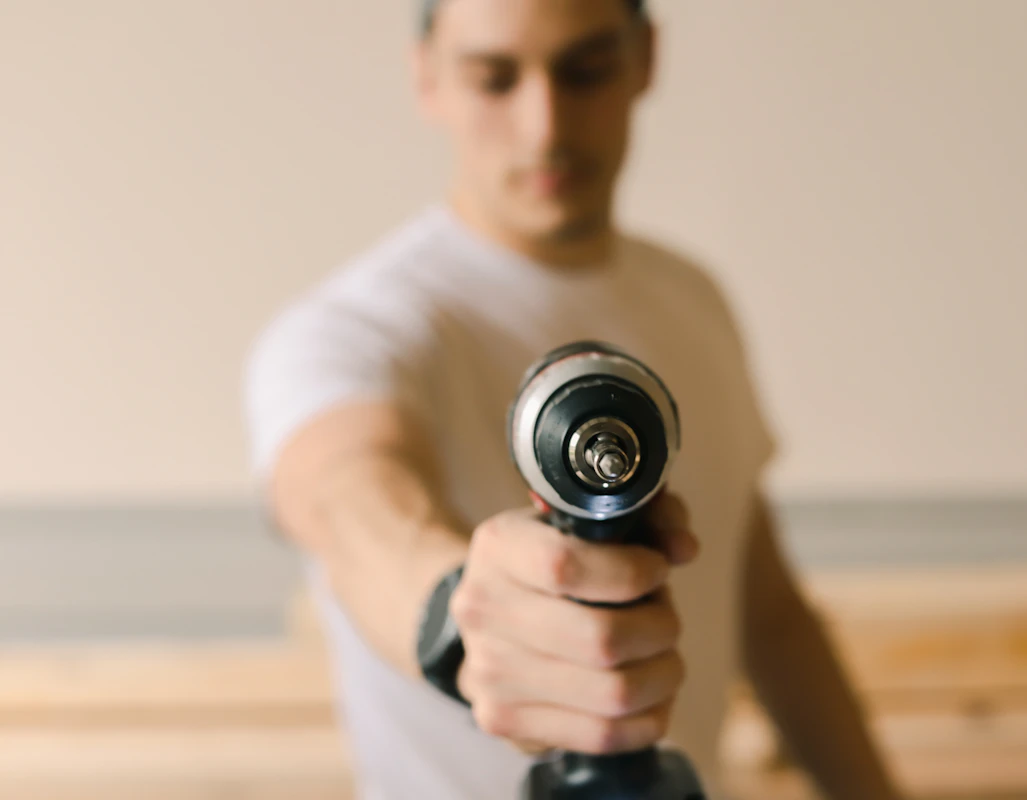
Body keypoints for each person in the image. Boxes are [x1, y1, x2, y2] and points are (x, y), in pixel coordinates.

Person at [242, 1, 902, 798]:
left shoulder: (693, 302)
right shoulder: (350, 331)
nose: (544, 126)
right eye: (493, 78)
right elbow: (350, 506)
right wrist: (456, 614)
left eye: (584, 70)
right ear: (428, 79)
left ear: (645, 61)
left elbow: (767, 612)